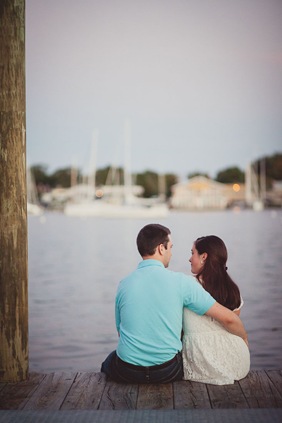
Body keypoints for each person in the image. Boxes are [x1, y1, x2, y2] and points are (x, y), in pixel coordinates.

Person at [101, 224, 248, 384]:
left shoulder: (124, 284)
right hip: (167, 372)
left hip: (128, 371)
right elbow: (229, 318)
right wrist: (244, 339)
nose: (171, 253)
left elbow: (121, 332)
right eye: (170, 247)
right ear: (160, 249)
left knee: (109, 361)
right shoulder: (182, 282)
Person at [182, 235, 250, 385]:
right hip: (238, 361)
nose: (189, 258)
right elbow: (233, 325)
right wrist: (244, 338)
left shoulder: (189, 285)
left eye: (192, 253)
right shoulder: (232, 289)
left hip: (202, 363)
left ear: (203, 257)